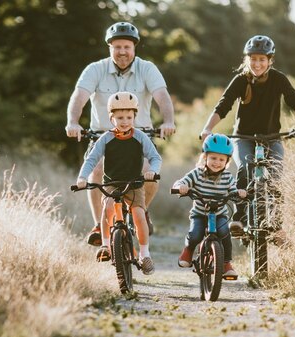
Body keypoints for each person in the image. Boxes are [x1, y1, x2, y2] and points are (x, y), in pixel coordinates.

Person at [65, 21, 177, 246]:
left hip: (138, 134)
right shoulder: (95, 69)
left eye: (126, 46)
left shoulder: (147, 68)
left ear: (134, 47)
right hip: (102, 135)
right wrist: (72, 122)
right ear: (110, 48)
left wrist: (168, 121)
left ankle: (141, 210)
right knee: (95, 172)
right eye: (117, 47)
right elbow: (79, 96)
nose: (122, 51)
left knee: (150, 172)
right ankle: (99, 224)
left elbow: (161, 96)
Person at [199, 35, 295, 236]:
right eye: (253, 59)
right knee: (245, 168)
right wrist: (207, 128)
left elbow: (294, 101)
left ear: (270, 60)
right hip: (244, 137)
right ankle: (238, 218)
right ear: (247, 60)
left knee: (277, 176)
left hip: (272, 137)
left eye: (262, 59)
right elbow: (224, 104)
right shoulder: (241, 80)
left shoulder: (279, 79)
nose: (257, 64)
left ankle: (278, 226)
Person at [76, 91, 162, 275]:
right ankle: (106, 245)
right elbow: (91, 160)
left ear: (134, 117)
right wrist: (82, 178)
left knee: (139, 214)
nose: (125, 121)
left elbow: (155, 157)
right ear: (111, 118)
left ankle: (145, 254)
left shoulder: (140, 136)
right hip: (112, 183)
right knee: (107, 209)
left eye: (129, 117)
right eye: (120, 117)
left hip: (134, 183)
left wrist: (153, 171)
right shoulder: (106, 138)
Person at [172, 134, 246, 277]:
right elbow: (181, 182)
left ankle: (226, 263)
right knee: (195, 235)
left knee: (225, 233)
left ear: (227, 161)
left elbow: (233, 190)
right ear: (205, 157)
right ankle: (188, 250)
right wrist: (181, 187)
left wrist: (239, 193)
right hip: (200, 214)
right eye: (213, 158)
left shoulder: (227, 177)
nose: (217, 162)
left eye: (221, 159)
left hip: (219, 215)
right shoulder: (197, 173)